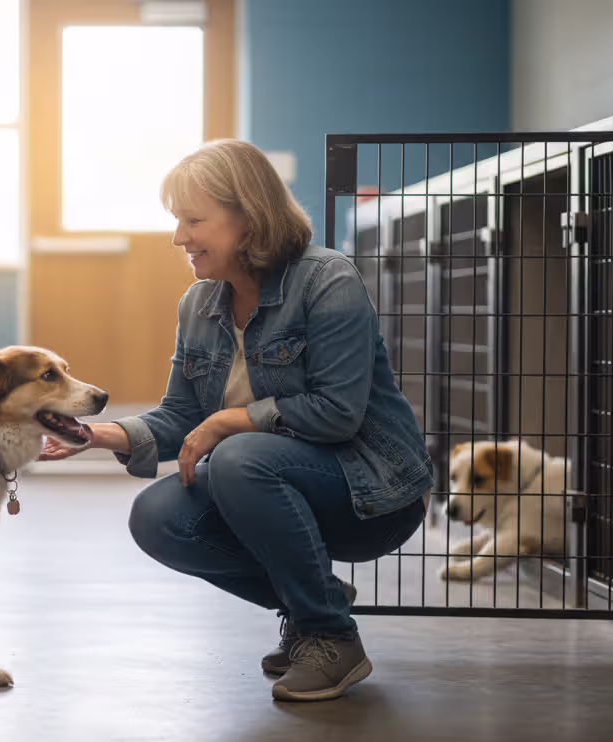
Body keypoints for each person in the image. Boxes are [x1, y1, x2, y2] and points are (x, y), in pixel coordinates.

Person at [39, 139, 433, 702]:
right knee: (158, 516)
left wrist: (228, 423)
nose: (180, 237)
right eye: (178, 220)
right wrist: (99, 435)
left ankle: (330, 637)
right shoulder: (199, 304)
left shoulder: (327, 281)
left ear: (249, 217)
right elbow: (181, 415)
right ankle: (313, 602)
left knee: (239, 457)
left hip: (374, 494)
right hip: (276, 483)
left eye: (194, 220)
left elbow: (338, 414)